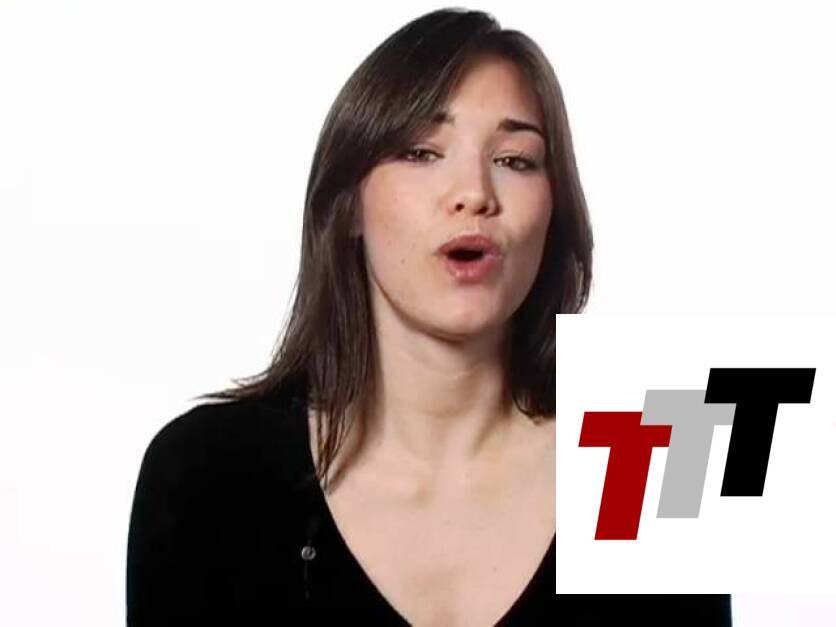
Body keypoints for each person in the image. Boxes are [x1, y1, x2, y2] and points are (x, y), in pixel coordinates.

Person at [126, 7, 732, 625]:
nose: (474, 193)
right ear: (349, 205)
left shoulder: (660, 462)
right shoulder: (207, 474)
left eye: (516, 159)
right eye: (421, 152)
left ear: (556, 210)